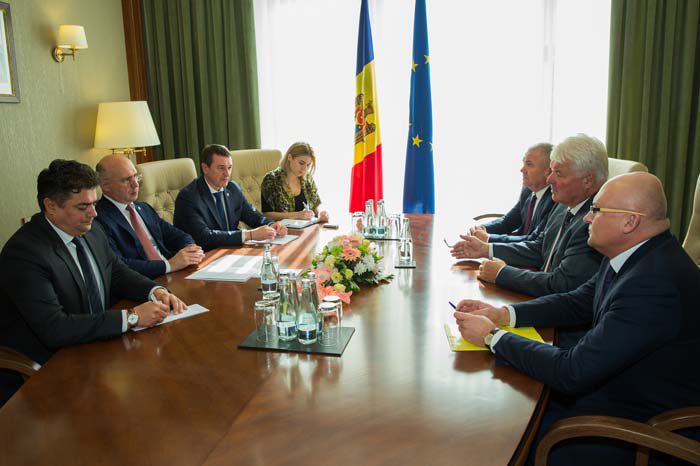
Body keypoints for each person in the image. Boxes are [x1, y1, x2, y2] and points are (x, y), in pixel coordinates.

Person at [453, 172, 700, 466]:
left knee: (504, 434)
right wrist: (503, 314)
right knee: (501, 405)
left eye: (597, 210)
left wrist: (492, 336)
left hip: (642, 428)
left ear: (630, 222)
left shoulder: (653, 285)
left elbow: (571, 371)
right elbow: (577, 302)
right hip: (613, 387)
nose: (587, 218)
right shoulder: (633, 253)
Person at [0, 160, 186, 405]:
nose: (94, 213)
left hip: (97, 345)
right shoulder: (25, 254)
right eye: (83, 206)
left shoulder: (92, 230)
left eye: (94, 203)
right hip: (49, 370)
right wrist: (131, 317)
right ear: (51, 206)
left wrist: (155, 291)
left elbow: (117, 272)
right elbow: (55, 329)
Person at [451, 134, 605, 298]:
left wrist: (502, 273)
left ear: (587, 180)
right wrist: (485, 249)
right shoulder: (563, 205)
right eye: (552, 171)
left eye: (559, 173)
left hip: (557, 308)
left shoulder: (594, 223)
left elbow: (561, 284)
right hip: (539, 296)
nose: (549, 179)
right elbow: (538, 248)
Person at [95, 155, 204, 279]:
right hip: (144, 282)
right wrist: (169, 265)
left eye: (136, 177)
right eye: (127, 180)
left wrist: (190, 249)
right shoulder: (99, 219)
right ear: (106, 185)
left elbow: (178, 235)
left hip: (174, 273)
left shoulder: (144, 208)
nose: (136, 184)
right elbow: (120, 265)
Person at [174, 144, 288, 251]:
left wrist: (271, 225)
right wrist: (249, 235)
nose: (227, 174)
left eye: (229, 168)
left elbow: (253, 216)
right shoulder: (188, 197)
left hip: (231, 252)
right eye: (221, 168)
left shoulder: (232, 188)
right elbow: (204, 237)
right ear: (205, 168)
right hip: (204, 256)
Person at [470, 143, 555, 243]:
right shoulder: (528, 191)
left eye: (529, 164)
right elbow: (508, 222)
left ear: (548, 171)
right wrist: (482, 229)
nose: (522, 170)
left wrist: (488, 238)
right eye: (524, 163)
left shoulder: (554, 199)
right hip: (514, 248)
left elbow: (533, 240)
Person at [260, 142, 329, 222]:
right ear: (290, 157)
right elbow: (267, 214)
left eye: (308, 165)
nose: (304, 169)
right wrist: (297, 215)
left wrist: (321, 214)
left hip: (307, 227)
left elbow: (315, 205)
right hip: (281, 228)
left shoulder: (307, 179)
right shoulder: (271, 180)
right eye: (301, 163)